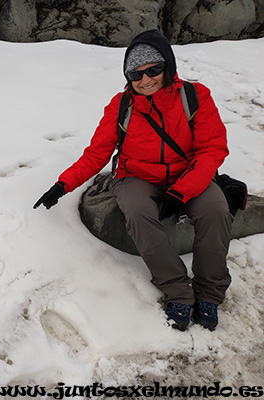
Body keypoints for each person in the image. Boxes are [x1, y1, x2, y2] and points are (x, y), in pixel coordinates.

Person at [33, 29, 232, 331]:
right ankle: (178, 290)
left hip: (188, 172)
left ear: (168, 66)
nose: (145, 79)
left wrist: (180, 192)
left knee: (216, 211)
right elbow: (96, 153)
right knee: (139, 215)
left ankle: (209, 291)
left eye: (154, 69)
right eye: (135, 74)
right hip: (136, 175)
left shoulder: (194, 96)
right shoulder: (121, 105)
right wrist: (63, 184)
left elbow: (212, 148)